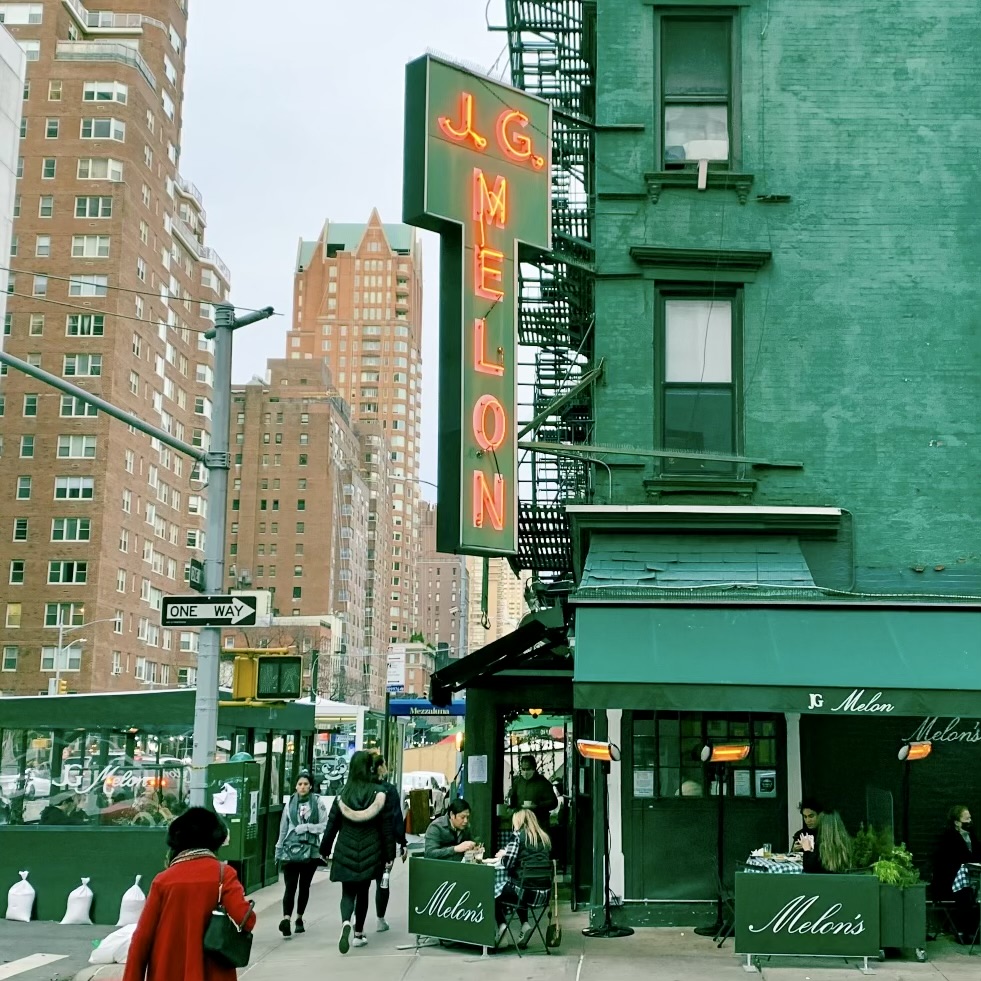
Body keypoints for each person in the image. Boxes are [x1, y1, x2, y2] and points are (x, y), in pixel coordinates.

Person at [122, 807, 256, 981]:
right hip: (213, 973)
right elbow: (246, 920)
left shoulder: (163, 880)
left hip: (167, 972)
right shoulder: (224, 874)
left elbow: (142, 938)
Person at [319, 750, 394, 954]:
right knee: (363, 893)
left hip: (345, 849)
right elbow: (386, 828)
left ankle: (346, 921)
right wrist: (389, 855)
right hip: (371, 850)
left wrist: (324, 850)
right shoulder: (379, 793)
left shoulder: (342, 795)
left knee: (347, 892)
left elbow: (332, 825)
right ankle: (358, 934)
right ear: (370, 768)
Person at [275, 770, 329, 938]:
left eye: (306, 784)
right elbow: (283, 827)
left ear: (311, 786)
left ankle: (299, 918)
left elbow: (325, 825)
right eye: (300, 784)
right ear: (295, 786)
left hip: (310, 850)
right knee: (290, 886)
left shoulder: (317, 802)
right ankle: (286, 919)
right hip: (291, 850)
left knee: (304, 886)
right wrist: (278, 848)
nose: (303, 787)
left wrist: (307, 827)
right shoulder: (290, 803)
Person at [494, 809, 554, 949]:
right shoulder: (544, 838)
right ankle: (525, 924)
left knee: (493, 894)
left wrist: (502, 856)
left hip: (525, 891)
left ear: (519, 821)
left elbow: (508, 863)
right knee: (520, 890)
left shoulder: (517, 836)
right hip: (543, 894)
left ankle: (502, 928)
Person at [932, 804, 980, 942]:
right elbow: (947, 862)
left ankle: (975, 931)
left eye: (970, 818)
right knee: (965, 894)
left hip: (971, 878)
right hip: (950, 881)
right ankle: (966, 932)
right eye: (966, 819)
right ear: (957, 822)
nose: (970, 821)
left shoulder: (972, 836)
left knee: (974, 891)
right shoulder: (948, 838)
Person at [372, 755, 408, 932]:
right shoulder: (389, 790)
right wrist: (402, 842)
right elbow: (396, 817)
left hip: (365, 842)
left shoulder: (360, 788)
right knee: (383, 880)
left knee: (361, 883)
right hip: (386, 843)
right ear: (380, 767)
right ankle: (380, 919)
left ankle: (356, 919)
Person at [507, 756, 558, 830]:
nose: (525, 772)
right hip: (521, 822)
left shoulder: (543, 783)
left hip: (539, 823)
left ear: (534, 768)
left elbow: (553, 802)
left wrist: (538, 806)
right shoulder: (517, 782)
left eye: (528, 769)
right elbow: (511, 799)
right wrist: (511, 802)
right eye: (523, 769)